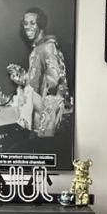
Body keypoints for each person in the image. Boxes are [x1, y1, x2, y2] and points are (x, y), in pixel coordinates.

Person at [7, 7, 68, 138]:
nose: (27, 27)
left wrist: (30, 94)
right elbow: (37, 79)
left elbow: (54, 81)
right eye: (25, 23)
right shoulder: (39, 48)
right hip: (38, 121)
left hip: (45, 120)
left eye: (32, 23)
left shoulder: (47, 47)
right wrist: (21, 77)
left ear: (41, 25)